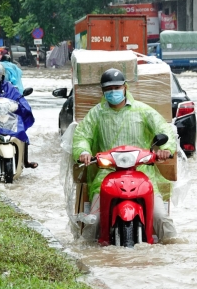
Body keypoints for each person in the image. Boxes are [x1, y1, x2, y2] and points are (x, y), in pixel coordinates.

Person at [72, 68, 178, 242]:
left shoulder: (143, 111)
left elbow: (163, 129)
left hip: (143, 172)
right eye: (108, 89)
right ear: (103, 91)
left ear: (125, 88)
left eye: (117, 87)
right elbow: (82, 136)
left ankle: (176, 253)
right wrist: (83, 152)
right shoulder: (96, 114)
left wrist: (165, 149)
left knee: (161, 217)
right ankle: (85, 254)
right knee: (94, 221)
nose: (113, 92)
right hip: (107, 173)